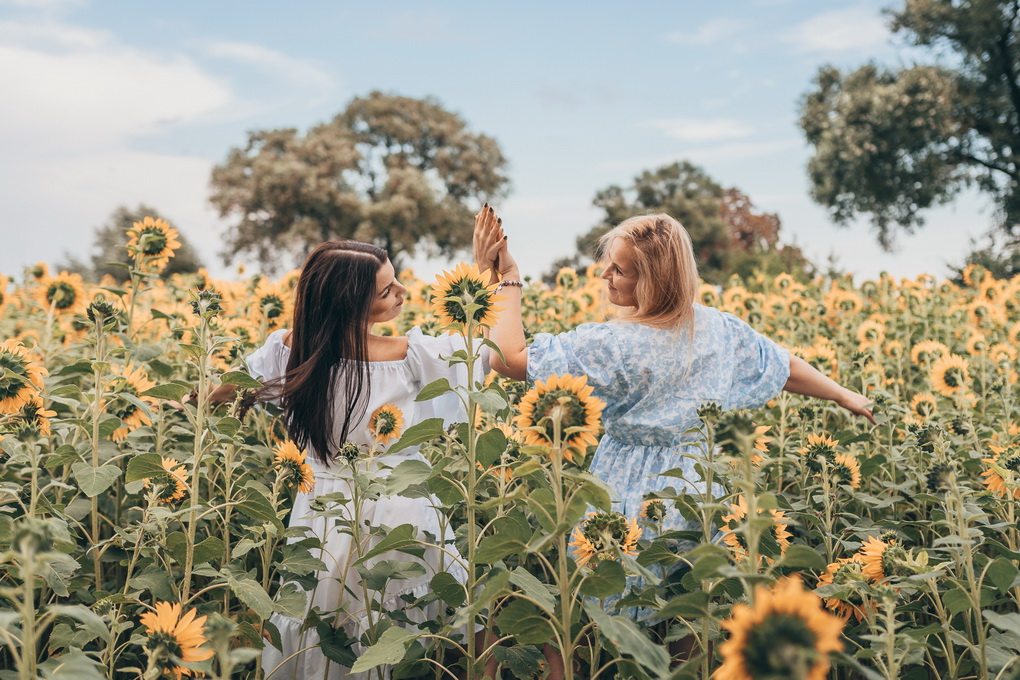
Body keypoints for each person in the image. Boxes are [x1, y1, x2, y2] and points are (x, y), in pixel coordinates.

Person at [476, 209, 875, 543]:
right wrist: (843, 395)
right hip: (703, 486)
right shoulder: (719, 327)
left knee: (624, 595)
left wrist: (506, 278)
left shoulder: (613, 343)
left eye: (620, 270)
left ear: (653, 280)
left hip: (630, 486)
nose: (605, 275)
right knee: (692, 604)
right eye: (609, 263)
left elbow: (508, 358)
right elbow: (783, 366)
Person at [232, 238, 495, 680]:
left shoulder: (288, 350)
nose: (402, 294)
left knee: (324, 627)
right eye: (387, 290)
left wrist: (199, 402)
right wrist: (499, 279)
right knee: (418, 625)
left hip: (320, 514)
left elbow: (230, 387)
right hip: (400, 507)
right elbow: (489, 353)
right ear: (349, 304)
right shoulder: (408, 355)